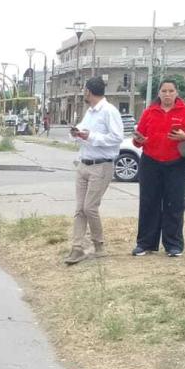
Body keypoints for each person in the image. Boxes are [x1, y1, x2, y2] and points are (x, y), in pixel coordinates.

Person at [132, 79, 185, 257]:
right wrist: (139, 140)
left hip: (177, 163)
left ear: (176, 93)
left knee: (175, 203)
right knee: (149, 202)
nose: (167, 94)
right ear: (159, 93)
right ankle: (145, 243)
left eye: (171, 91)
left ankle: (173, 245)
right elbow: (138, 139)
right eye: (164, 91)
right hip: (151, 161)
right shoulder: (149, 112)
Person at [64, 77, 124, 265]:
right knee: (80, 209)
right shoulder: (89, 112)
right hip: (84, 163)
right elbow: (83, 132)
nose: (84, 93)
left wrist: (91, 137)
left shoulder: (109, 111)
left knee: (89, 207)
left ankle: (99, 246)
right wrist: (76, 134)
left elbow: (117, 137)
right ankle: (77, 248)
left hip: (101, 165)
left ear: (88, 91)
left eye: (84, 90)